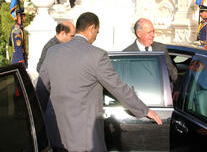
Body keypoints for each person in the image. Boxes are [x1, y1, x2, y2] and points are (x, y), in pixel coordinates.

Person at [36, 12, 162, 152]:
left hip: (56, 133)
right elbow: (117, 87)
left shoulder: (53, 52)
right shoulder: (97, 55)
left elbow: (41, 91)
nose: (96, 36)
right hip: (84, 139)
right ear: (91, 28)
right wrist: (144, 110)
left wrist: (37, 122)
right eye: (97, 31)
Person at [123, 18, 179, 99]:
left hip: (162, 99)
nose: (153, 35)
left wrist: (175, 89)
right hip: (139, 101)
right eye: (149, 32)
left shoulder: (161, 48)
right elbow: (124, 83)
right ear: (139, 33)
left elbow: (172, 71)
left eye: (153, 31)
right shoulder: (127, 54)